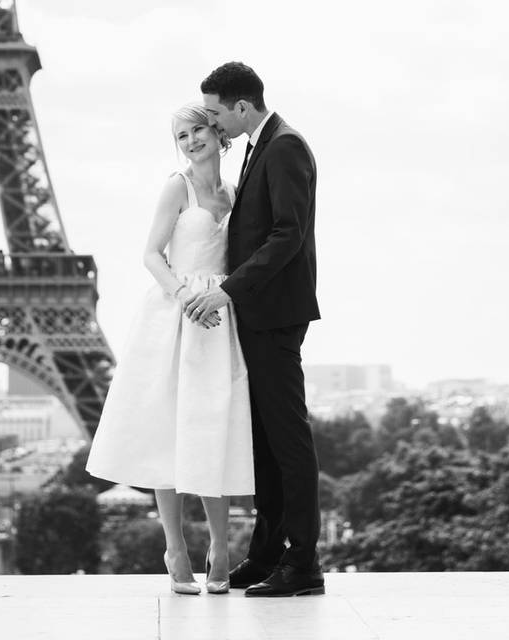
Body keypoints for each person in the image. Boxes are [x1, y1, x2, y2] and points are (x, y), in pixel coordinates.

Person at [85, 102, 255, 595]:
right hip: (176, 313)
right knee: (167, 431)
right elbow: (150, 254)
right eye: (180, 135)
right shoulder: (175, 187)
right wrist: (184, 297)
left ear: (216, 133)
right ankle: (176, 547)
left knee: (210, 431)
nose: (189, 141)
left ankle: (221, 548)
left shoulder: (233, 191)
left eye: (197, 130)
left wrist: (215, 297)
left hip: (218, 317)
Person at [186, 61, 323, 597]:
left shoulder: (285, 146)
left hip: (273, 313)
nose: (214, 125)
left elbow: (288, 233)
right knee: (266, 442)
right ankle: (268, 555)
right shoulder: (261, 145)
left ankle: (303, 562)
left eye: (217, 113)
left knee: (288, 441)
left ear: (242, 106)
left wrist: (227, 289)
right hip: (260, 311)